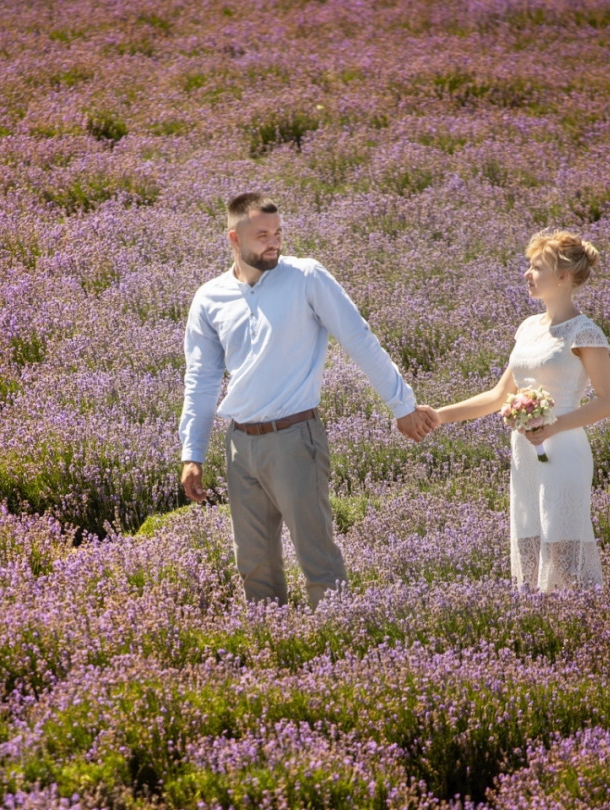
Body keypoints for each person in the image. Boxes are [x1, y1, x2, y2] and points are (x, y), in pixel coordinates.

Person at [178, 192, 439, 610]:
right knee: (253, 562)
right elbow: (202, 378)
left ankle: (337, 650)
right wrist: (192, 452)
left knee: (317, 557)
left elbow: (359, 340)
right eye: (262, 235)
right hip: (239, 445)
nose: (273, 242)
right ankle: (275, 654)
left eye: (278, 233)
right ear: (234, 237)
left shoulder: (307, 278)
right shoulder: (209, 298)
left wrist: (403, 406)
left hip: (295, 439)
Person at [426, 228, 610, 591]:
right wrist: (439, 415)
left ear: (563, 277)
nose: (526, 274)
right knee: (531, 534)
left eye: (536, 268)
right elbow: (499, 396)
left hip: (563, 451)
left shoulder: (585, 332)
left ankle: (579, 618)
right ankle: (542, 622)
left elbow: (609, 401)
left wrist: (553, 426)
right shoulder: (529, 328)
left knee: (562, 543)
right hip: (525, 453)